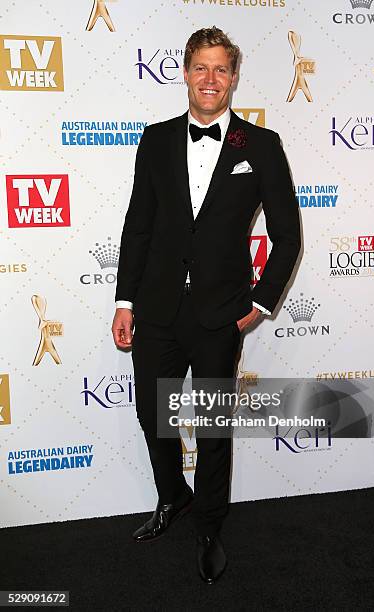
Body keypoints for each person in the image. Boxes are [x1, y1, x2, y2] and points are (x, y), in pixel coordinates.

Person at [112, 26, 301, 584]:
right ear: (185, 73)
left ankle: (211, 526)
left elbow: (287, 235)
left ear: (235, 76)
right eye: (201, 67)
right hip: (157, 310)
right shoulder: (156, 139)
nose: (211, 79)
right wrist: (125, 300)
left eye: (221, 69)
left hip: (223, 314)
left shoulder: (260, 146)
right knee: (154, 413)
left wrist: (261, 305)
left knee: (214, 425)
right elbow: (138, 226)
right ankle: (173, 495)